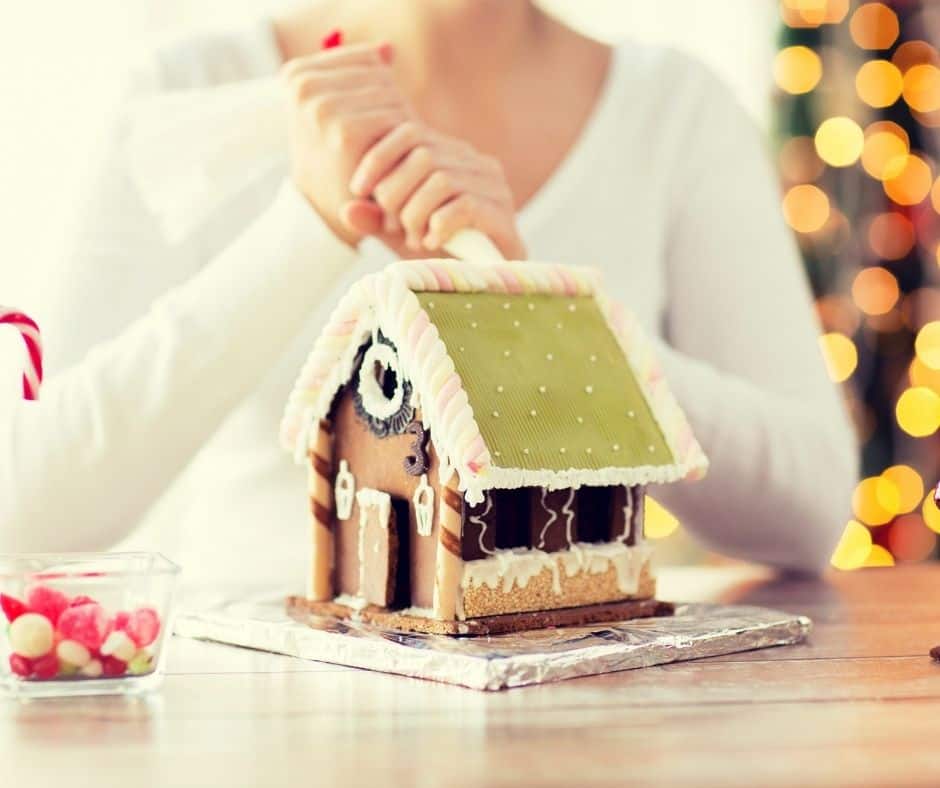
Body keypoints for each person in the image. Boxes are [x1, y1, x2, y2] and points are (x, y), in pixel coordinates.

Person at [0, 1, 857, 588]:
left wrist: (547, 320)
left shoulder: (677, 111)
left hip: (580, 729)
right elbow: (28, 511)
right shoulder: (188, 97)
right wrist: (309, 226)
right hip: (250, 723)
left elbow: (808, 513)